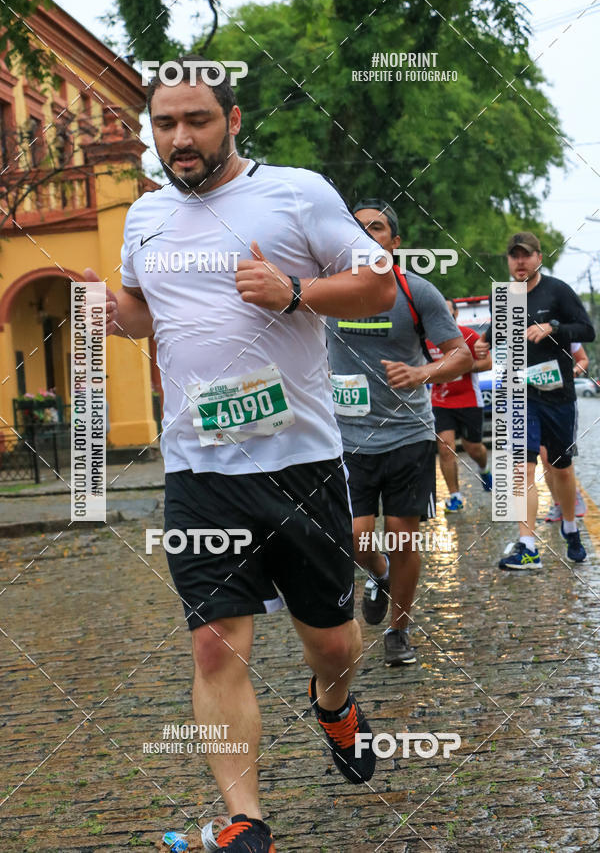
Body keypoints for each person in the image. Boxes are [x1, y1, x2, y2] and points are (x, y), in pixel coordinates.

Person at [86, 59, 397, 853]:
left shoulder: (296, 192)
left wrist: (293, 292)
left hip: (300, 464)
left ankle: (334, 705)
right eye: (165, 125)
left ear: (231, 117)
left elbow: (378, 286)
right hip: (198, 470)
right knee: (212, 641)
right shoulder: (144, 217)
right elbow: (145, 312)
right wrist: (106, 310)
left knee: (330, 641)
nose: (180, 139)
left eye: (196, 120)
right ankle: (243, 820)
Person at [326, 199, 472, 666]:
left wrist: (422, 373)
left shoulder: (417, 292)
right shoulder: (326, 289)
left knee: (404, 535)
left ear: (395, 242)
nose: (367, 236)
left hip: (408, 433)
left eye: (377, 228)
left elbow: (461, 356)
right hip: (346, 437)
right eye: (357, 229)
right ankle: (380, 573)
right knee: (354, 536)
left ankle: (398, 629)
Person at [474, 232, 595, 569]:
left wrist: (552, 326)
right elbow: (493, 335)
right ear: (508, 261)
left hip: (557, 396)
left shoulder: (557, 291)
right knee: (521, 468)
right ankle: (528, 546)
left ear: (539, 257)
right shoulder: (504, 297)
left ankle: (570, 527)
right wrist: (483, 345)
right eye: (514, 256)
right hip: (519, 394)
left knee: (560, 467)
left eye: (526, 255)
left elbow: (587, 330)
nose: (520, 261)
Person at [427, 298, 493, 512]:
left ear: (455, 314)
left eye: (448, 312)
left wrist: (464, 366)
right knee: (445, 448)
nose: (443, 316)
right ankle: (455, 496)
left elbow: (488, 363)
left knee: (474, 447)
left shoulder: (469, 335)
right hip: (440, 401)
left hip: (469, 400)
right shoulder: (426, 339)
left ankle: (484, 469)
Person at [543, 343, 588, 521]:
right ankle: (557, 504)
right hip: (533, 401)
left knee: (560, 459)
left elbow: (583, 359)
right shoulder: (520, 329)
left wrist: (572, 374)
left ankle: (571, 493)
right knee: (545, 459)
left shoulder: (563, 327)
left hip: (561, 402)